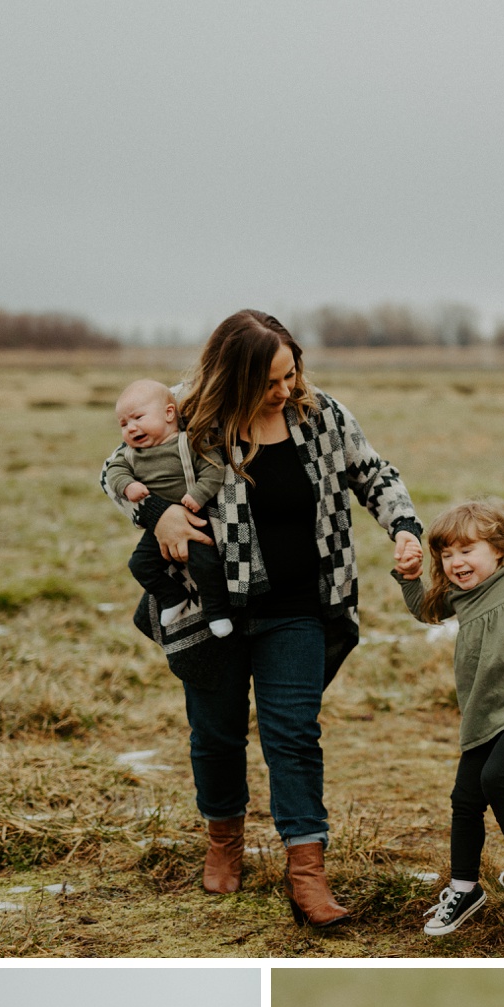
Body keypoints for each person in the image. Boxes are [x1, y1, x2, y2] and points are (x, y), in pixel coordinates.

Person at [101, 309, 424, 924]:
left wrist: (404, 530)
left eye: (292, 372)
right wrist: (156, 516)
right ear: (237, 377)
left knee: (294, 736)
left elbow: (373, 474)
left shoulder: (320, 414)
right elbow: (112, 471)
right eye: (273, 380)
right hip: (207, 606)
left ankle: (307, 874)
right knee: (216, 733)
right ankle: (224, 842)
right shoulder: (187, 414)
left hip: (302, 607)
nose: (287, 388)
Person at [392, 464, 504, 934]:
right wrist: (408, 576)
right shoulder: (457, 597)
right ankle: (465, 888)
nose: (456, 562)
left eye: (467, 550)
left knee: (497, 778)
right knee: (464, 799)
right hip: (483, 715)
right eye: (447, 554)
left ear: (499, 550)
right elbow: (422, 610)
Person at [101, 379, 233, 643]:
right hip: (158, 525)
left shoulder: (188, 444)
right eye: (124, 424)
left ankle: (217, 613)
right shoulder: (129, 454)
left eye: (138, 417)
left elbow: (214, 468)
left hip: (195, 519)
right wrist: (127, 486)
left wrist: (198, 495)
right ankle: (171, 596)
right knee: (140, 565)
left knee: (206, 566)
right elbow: (113, 472)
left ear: (169, 414)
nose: (131, 427)